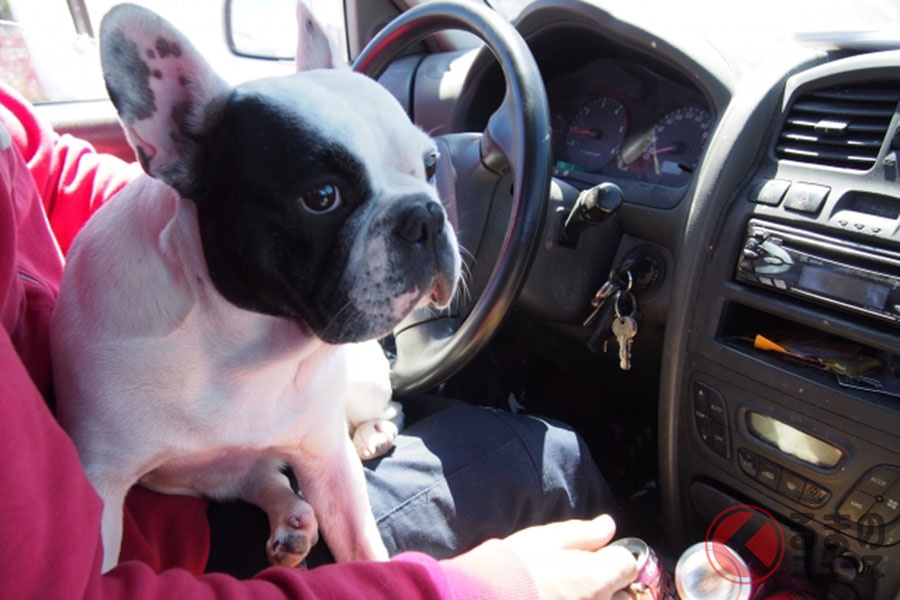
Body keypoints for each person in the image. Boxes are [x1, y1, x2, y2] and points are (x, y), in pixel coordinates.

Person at [0, 81, 637, 599]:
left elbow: (46, 171)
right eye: (324, 196)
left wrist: (199, 235)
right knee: (547, 459)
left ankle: (270, 489)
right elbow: (71, 585)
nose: (425, 218)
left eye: (425, 166)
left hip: (244, 451)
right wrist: (456, 589)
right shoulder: (114, 370)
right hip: (163, 551)